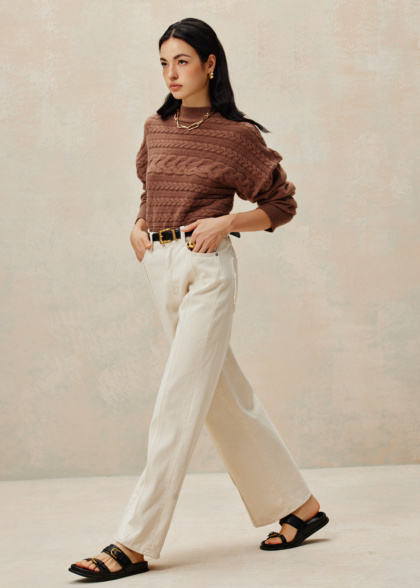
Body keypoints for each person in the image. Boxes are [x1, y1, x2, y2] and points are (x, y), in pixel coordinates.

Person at [69, 17, 329, 582]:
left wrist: (227, 222)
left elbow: (281, 205)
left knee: (177, 402)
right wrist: (137, 225)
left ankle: (134, 541)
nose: (171, 73)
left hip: (206, 270)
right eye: (164, 63)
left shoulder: (236, 136)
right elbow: (152, 188)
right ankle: (301, 507)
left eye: (182, 61)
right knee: (222, 399)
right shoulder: (156, 126)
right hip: (159, 266)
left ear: (210, 64)